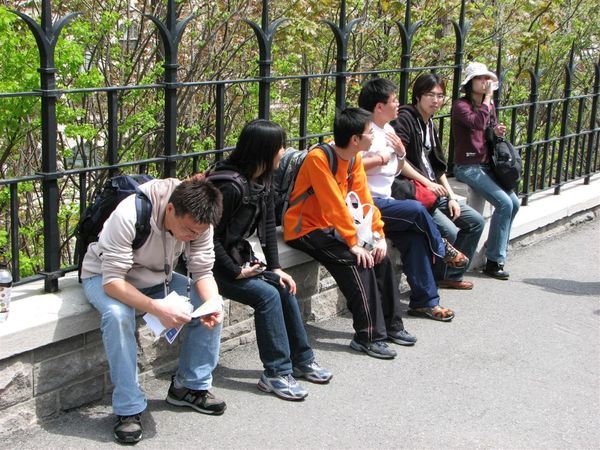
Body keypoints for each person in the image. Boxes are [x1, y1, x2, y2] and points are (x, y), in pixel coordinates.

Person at [81, 177, 226, 444]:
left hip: (159, 279)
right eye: (188, 231)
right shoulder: (129, 214)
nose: (192, 237)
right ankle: (128, 409)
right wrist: (157, 308)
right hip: (106, 278)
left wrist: (213, 304)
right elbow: (112, 283)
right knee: (117, 315)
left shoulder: (199, 221)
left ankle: (190, 387)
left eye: (198, 233)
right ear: (170, 209)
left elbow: (203, 271)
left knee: (210, 303)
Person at [211, 119, 332, 401]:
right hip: (211, 267)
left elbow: (267, 227)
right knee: (267, 296)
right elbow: (206, 238)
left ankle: (302, 360)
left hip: (237, 259)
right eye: (280, 146)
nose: (284, 151)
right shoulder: (230, 186)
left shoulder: (262, 180)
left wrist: (276, 268)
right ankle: (275, 373)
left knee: (281, 286)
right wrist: (235, 271)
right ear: (265, 150)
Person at [285, 107, 417, 360]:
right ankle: (367, 336)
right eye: (369, 133)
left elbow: (364, 200)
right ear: (355, 139)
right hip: (305, 228)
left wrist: (377, 235)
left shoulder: (354, 158)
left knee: (380, 257)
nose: (373, 138)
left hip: (333, 227)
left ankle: (391, 325)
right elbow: (333, 202)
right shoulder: (319, 158)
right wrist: (354, 243)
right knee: (355, 261)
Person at [357, 77, 465, 321]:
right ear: (379, 107)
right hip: (366, 204)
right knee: (416, 210)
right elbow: (348, 164)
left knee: (415, 237)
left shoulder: (389, 130)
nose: (398, 105)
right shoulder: (362, 131)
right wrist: (383, 158)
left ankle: (424, 302)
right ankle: (441, 248)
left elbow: (397, 166)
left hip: (385, 201)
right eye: (393, 101)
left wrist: (401, 154)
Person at [391, 73, 485, 289]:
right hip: (416, 192)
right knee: (449, 231)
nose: (435, 100)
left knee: (475, 222)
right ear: (417, 96)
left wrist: (451, 196)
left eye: (440, 96)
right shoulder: (405, 119)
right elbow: (399, 161)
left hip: (435, 191)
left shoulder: (429, 124)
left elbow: (438, 166)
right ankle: (434, 278)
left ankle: (449, 275)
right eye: (430, 94)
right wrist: (428, 183)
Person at [451, 62, 520, 279]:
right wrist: (488, 101)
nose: (485, 82)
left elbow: (487, 132)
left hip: (486, 165)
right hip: (467, 166)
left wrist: (496, 131)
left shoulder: (488, 106)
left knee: (514, 203)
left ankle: (494, 246)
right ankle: (494, 261)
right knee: (504, 203)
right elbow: (476, 124)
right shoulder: (461, 106)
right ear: (470, 83)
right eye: (480, 79)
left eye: (487, 79)